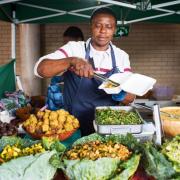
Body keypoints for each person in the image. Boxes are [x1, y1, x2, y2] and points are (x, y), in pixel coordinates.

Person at [34, 7, 135, 136]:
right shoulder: (74, 48)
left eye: (108, 27)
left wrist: (121, 94)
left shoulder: (121, 56)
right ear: (91, 26)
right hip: (72, 127)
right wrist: (71, 61)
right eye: (98, 26)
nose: (103, 31)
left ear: (114, 29)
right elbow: (40, 69)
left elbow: (131, 97)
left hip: (107, 127)